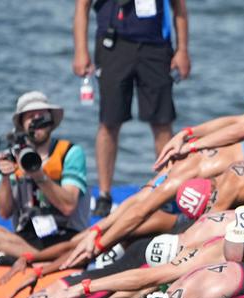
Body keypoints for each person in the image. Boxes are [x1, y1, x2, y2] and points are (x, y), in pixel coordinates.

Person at [72, 0, 191, 216]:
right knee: (109, 122)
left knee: (162, 122)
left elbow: (179, 7)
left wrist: (182, 50)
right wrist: (81, 51)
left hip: (156, 46)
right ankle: (105, 194)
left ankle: (165, 190)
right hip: (113, 45)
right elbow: (83, 5)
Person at [0, 92, 89, 262]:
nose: (37, 121)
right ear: (22, 124)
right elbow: (4, 212)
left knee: (77, 245)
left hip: (67, 237)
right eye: (31, 116)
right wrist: (5, 178)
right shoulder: (14, 155)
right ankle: (39, 259)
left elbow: (68, 206)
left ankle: (26, 259)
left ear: (51, 121)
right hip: (27, 238)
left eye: (41, 116)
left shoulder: (70, 153)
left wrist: (38, 175)